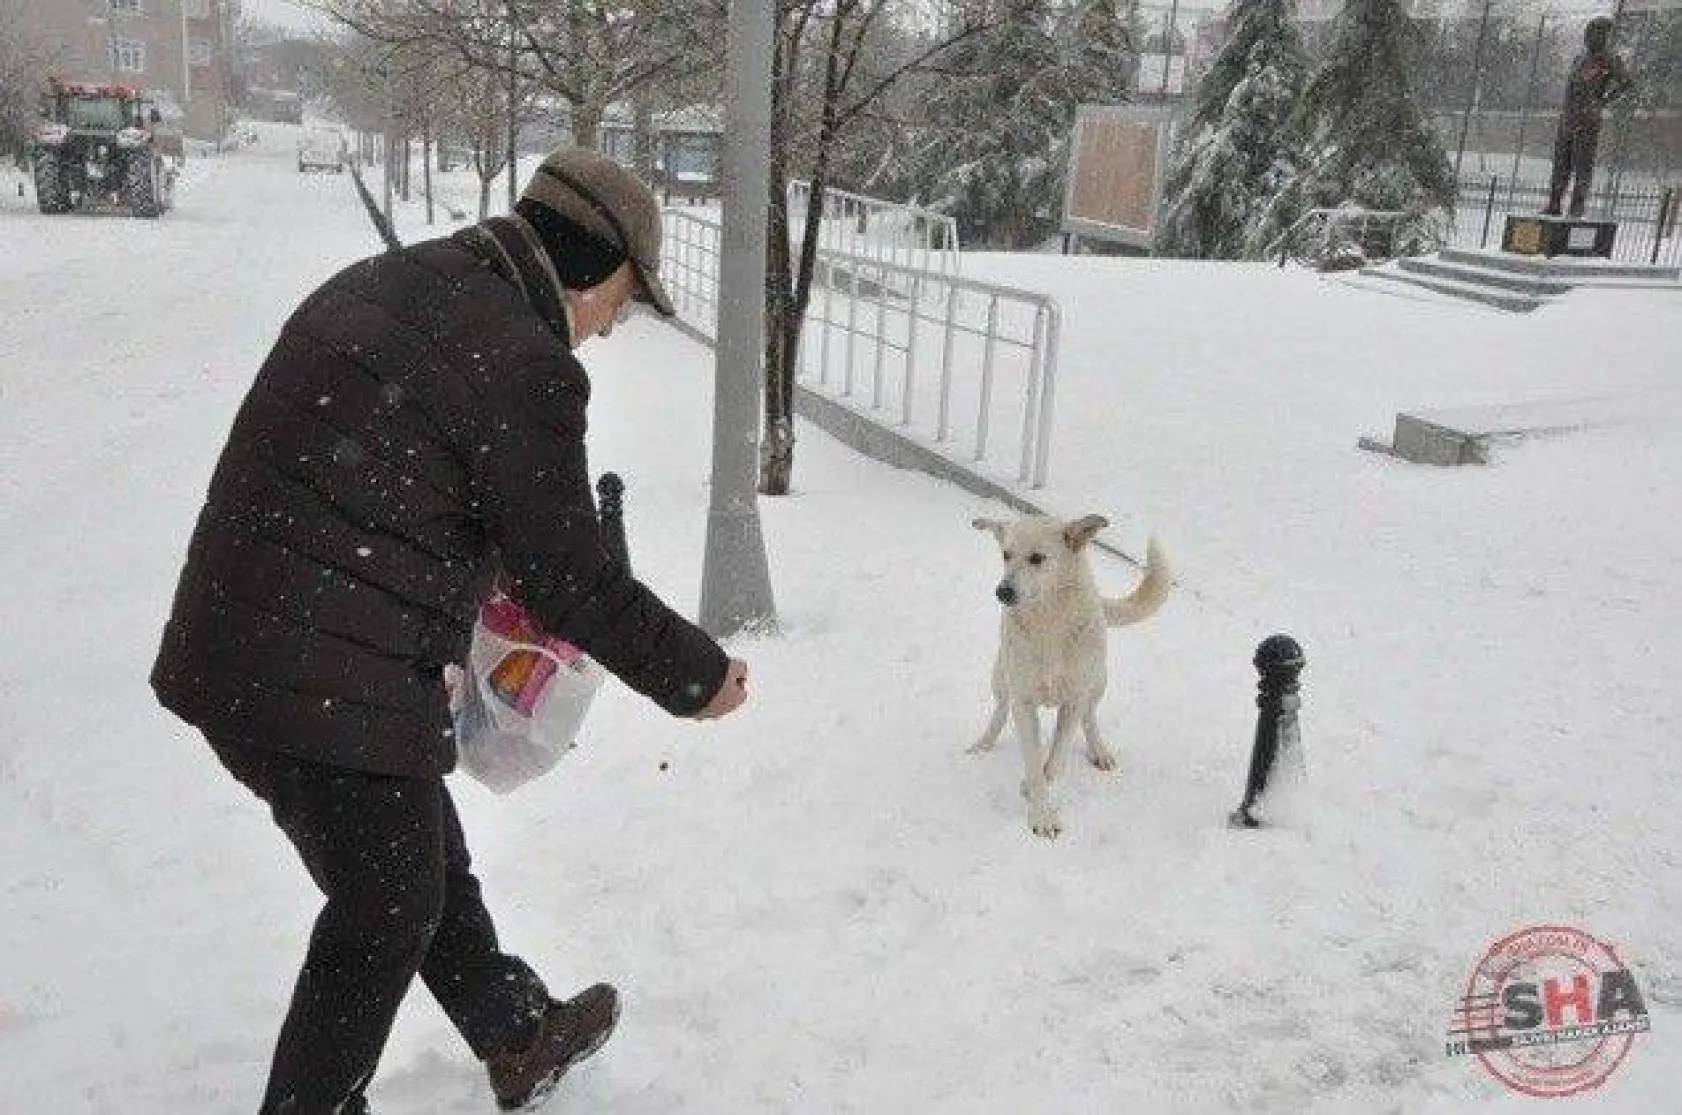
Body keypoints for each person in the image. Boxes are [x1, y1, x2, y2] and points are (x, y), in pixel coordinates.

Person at [150, 146, 751, 1114]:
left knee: (412, 856)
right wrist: (696, 672)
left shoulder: (398, 280)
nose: (610, 325)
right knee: (387, 905)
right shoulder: (523, 362)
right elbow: (570, 577)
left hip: (252, 639)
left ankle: (516, 1029)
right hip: (311, 669)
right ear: (595, 266)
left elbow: (396, 473)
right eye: (625, 300)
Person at [1545, 16, 1632, 219]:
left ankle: (1577, 208)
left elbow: (1626, 83)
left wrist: (1602, 101)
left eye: (1594, 33)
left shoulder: (1609, 59)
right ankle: (1554, 203)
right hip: (1568, 118)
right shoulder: (1579, 59)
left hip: (1587, 121)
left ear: (1602, 36)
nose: (1588, 37)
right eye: (1588, 32)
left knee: (1582, 165)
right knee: (1561, 163)